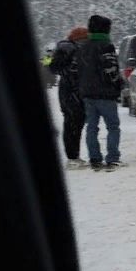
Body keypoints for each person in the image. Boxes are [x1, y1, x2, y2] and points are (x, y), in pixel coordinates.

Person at [77, 14, 125, 170]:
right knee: (113, 126)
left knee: (91, 127)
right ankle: (112, 158)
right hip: (106, 94)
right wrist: (118, 85)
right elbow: (111, 71)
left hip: (87, 94)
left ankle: (95, 158)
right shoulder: (106, 46)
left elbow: (79, 71)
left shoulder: (83, 47)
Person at [48, 26, 89, 168]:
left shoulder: (72, 49)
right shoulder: (67, 49)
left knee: (76, 124)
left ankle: (74, 156)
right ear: (78, 39)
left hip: (73, 92)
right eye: (85, 39)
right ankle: (72, 157)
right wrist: (72, 72)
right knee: (72, 124)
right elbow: (54, 68)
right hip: (70, 93)